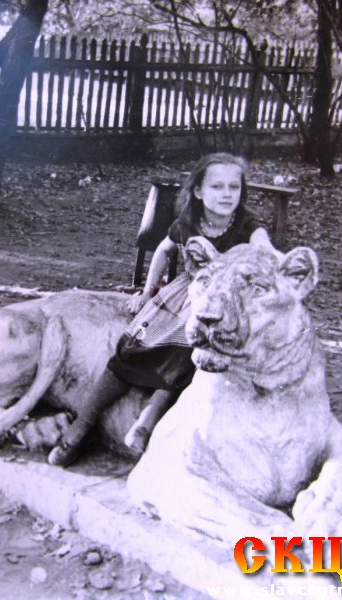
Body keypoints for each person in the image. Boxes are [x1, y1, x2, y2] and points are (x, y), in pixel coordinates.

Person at [48, 153, 274, 467]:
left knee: (192, 347)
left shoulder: (247, 223)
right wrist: (146, 290)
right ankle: (83, 423)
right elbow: (164, 251)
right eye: (217, 187)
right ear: (198, 191)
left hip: (225, 300)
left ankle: (148, 418)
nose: (226, 194)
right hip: (188, 290)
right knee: (133, 344)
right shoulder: (188, 222)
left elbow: (264, 246)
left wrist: (269, 256)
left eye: (233, 187)